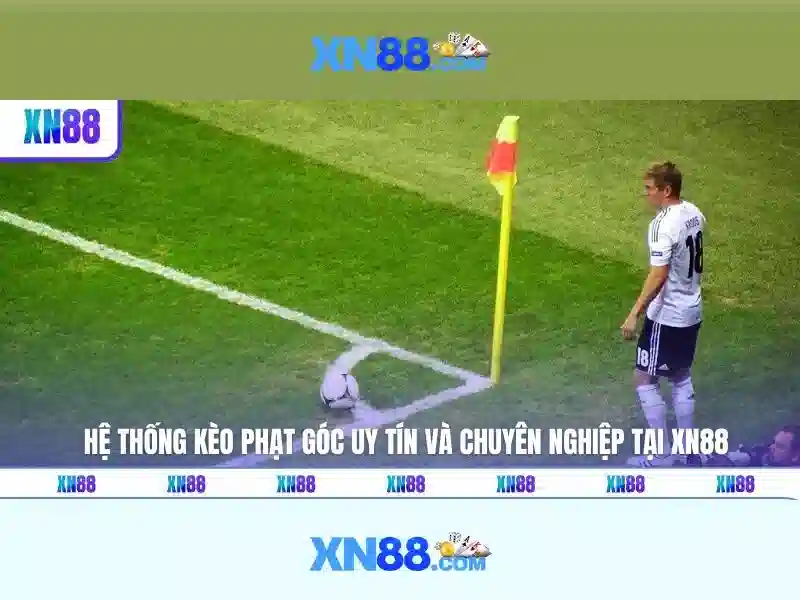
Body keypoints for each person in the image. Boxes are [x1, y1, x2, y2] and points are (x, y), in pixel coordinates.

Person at [621, 162, 706, 467]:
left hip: (668, 315)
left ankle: (662, 456)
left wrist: (634, 313)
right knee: (681, 376)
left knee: (644, 378)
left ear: (666, 190)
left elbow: (659, 274)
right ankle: (688, 452)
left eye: (649, 189)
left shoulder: (662, 225)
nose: (646, 194)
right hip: (692, 310)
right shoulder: (694, 213)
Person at [689, 425, 800, 467]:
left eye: (780, 446)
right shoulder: (761, 456)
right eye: (773, 442)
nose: (771, 448)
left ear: (795, 456)